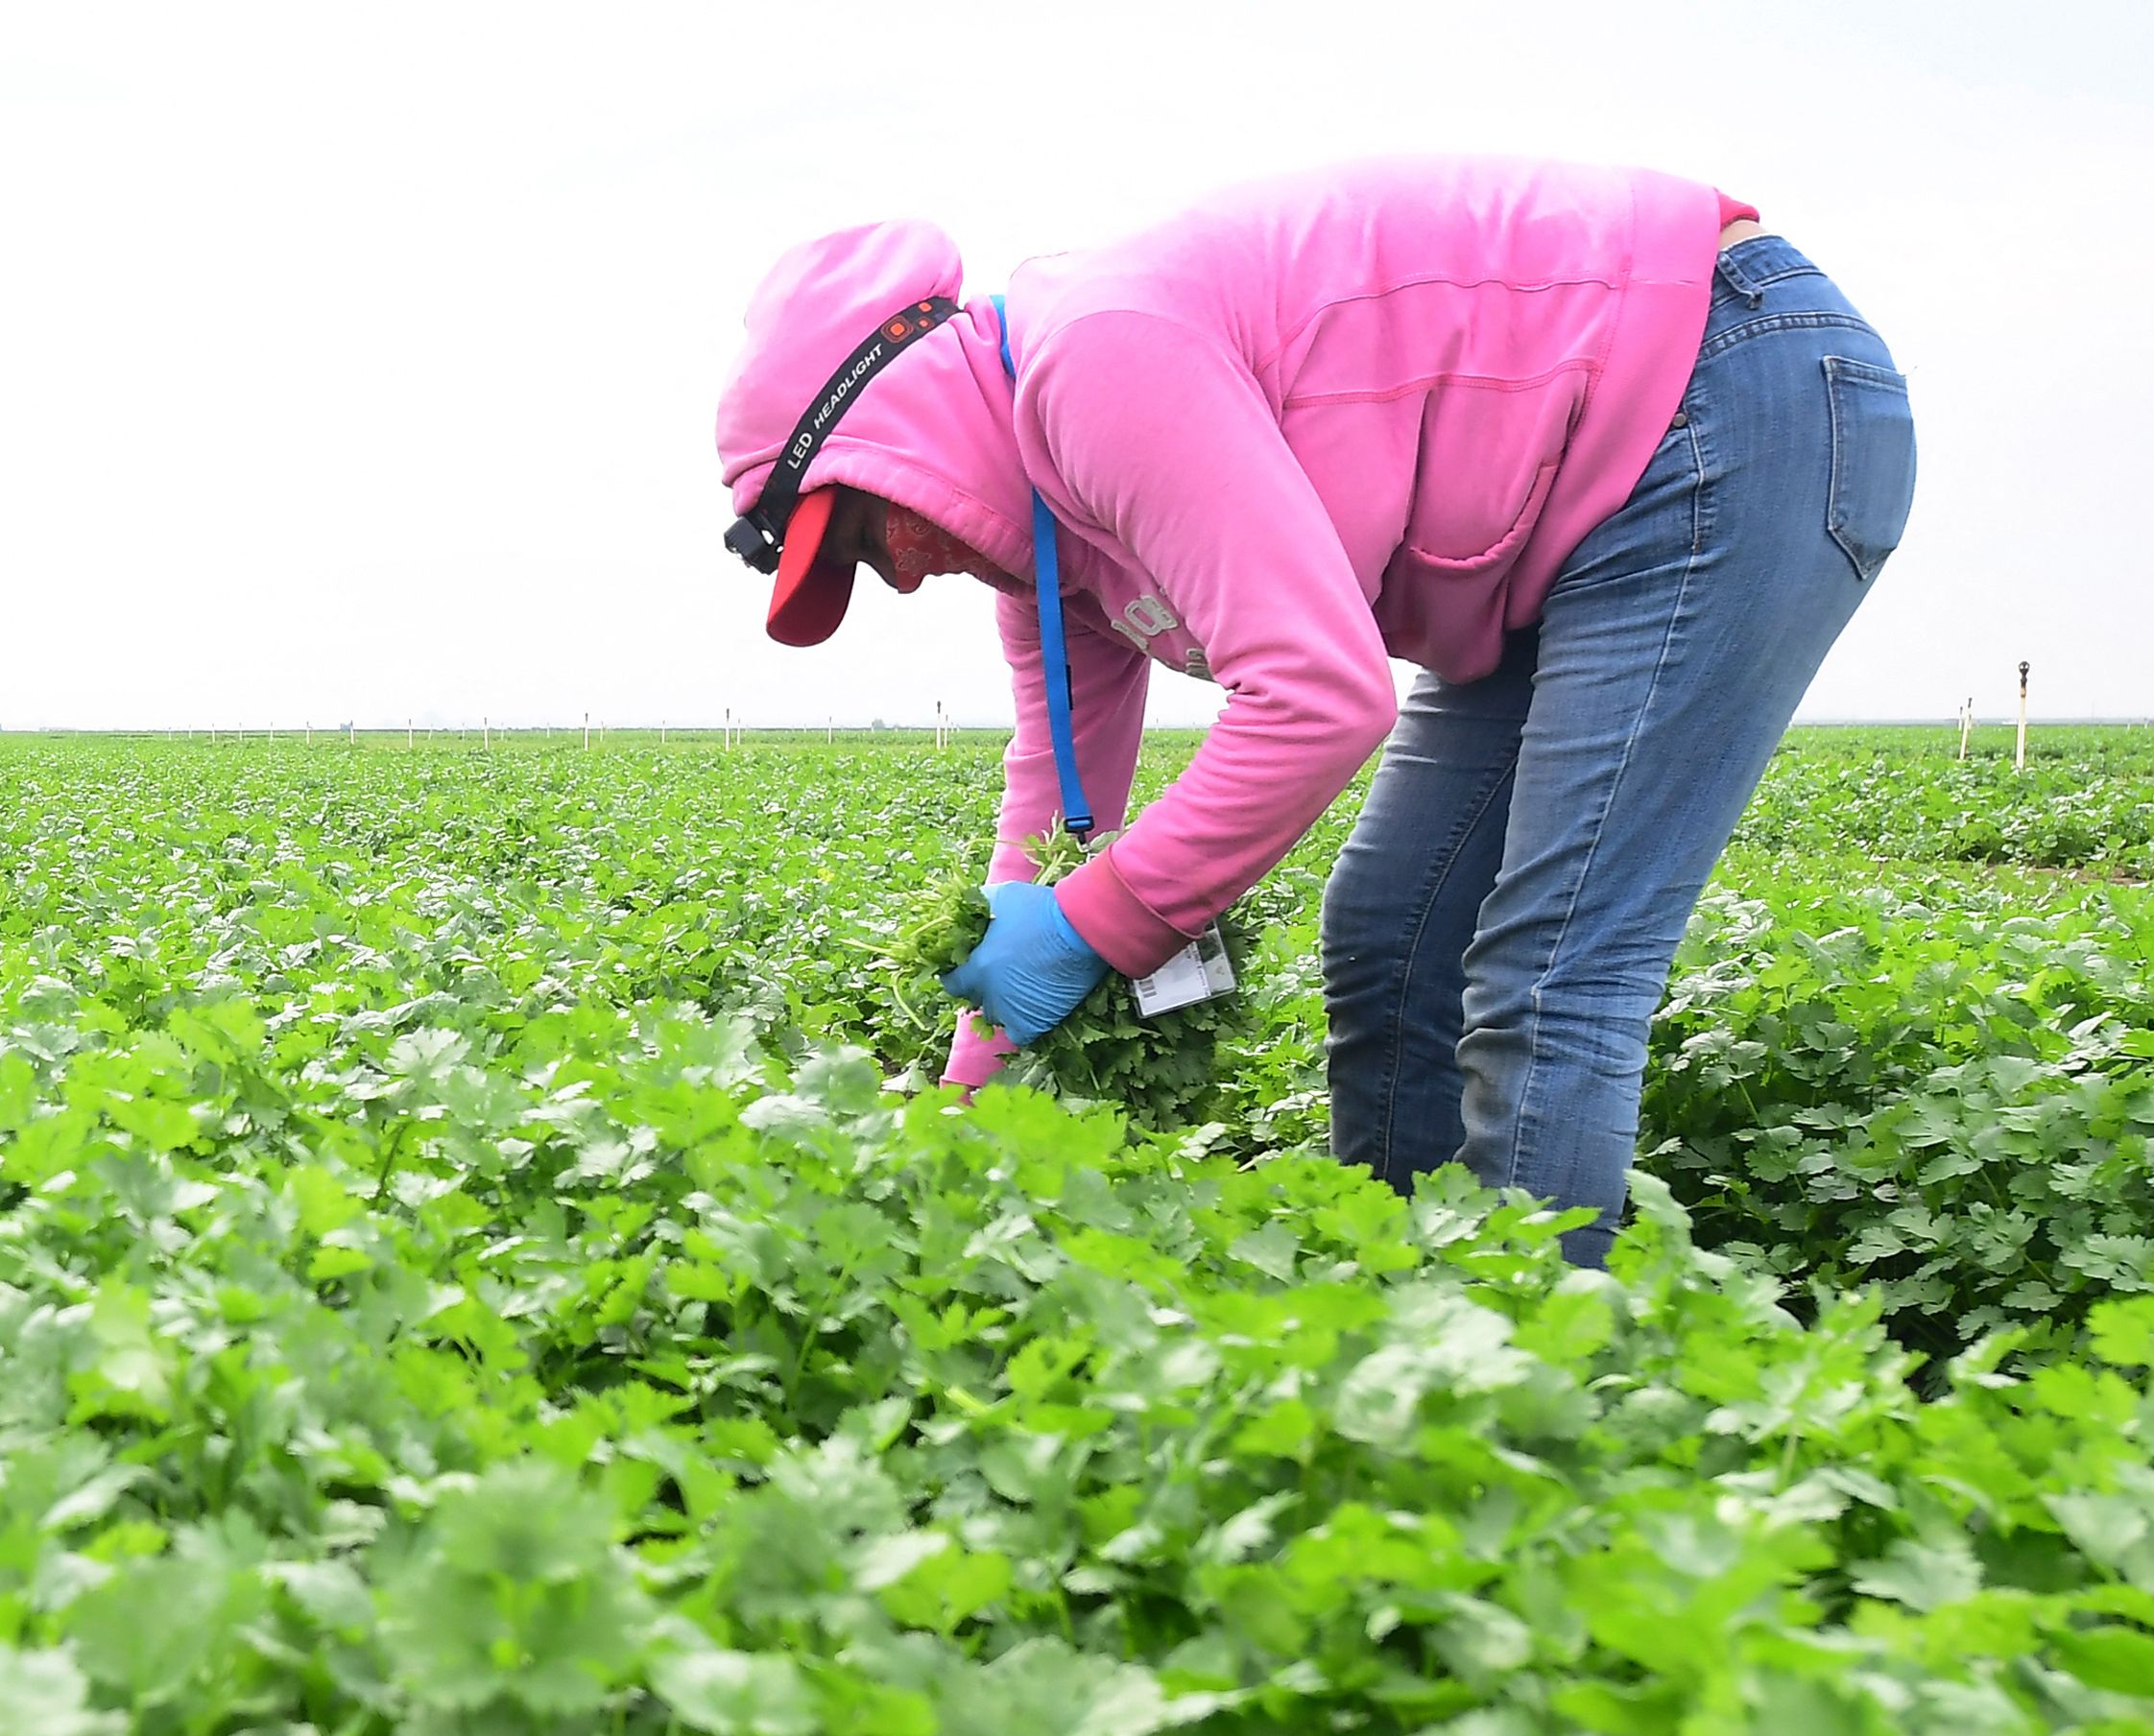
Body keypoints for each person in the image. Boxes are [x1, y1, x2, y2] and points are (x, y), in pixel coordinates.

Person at [713, 158, 1913, 1264]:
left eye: (866, 533)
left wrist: (1097, 928)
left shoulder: (1096, 359)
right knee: (1391, 927)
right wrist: (965, 1100)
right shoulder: (1043, 553)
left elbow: (1318, 698)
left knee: (1550, 970)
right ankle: (1398, 1326)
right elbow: (1049, 817)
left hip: (1720, 391)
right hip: (1562, 520)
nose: (903, 572)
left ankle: (1532, 1394)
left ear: (889, 424)